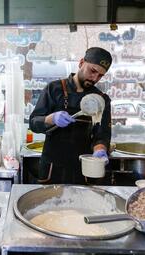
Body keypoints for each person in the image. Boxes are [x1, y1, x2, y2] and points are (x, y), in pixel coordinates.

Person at [29, 47, 112, 184]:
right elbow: (33, 123)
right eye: (92, 71)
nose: (95, 78)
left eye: (100, 76)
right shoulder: (54, 89)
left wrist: (100, 150)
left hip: (83, 169)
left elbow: (102, 135)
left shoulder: (101, 100)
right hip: (52, 169)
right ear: (81, 63)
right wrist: (51, 118)